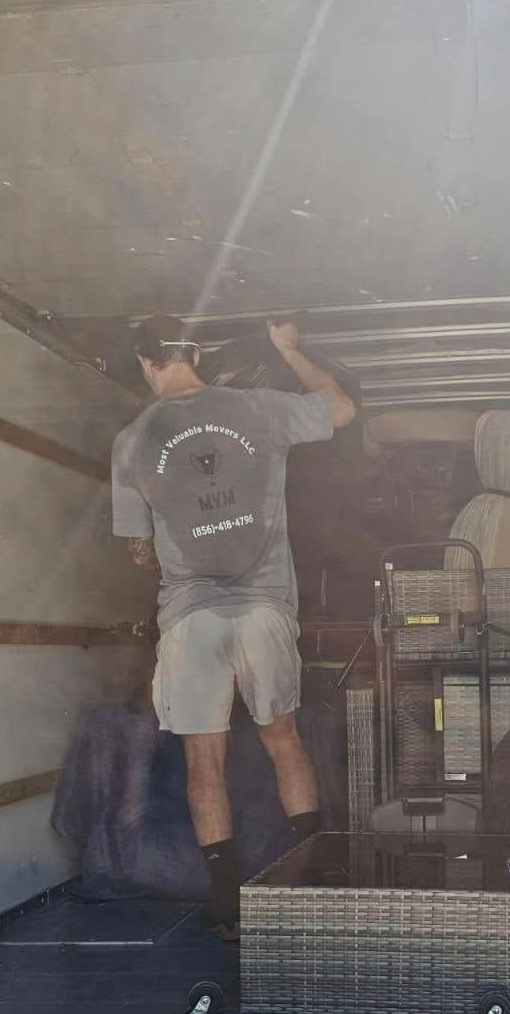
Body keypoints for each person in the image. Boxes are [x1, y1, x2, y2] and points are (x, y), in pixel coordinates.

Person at [111, 313, 356, 936]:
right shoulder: (256, 407)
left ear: (146, 365)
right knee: (284, 739)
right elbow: (340, 410)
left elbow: (136, 548)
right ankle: (322, 873)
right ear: (194, 353)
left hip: (192, 616)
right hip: (264, 607)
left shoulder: (132, 440)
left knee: (204, 760)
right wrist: (291, 351)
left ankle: (226, 898)